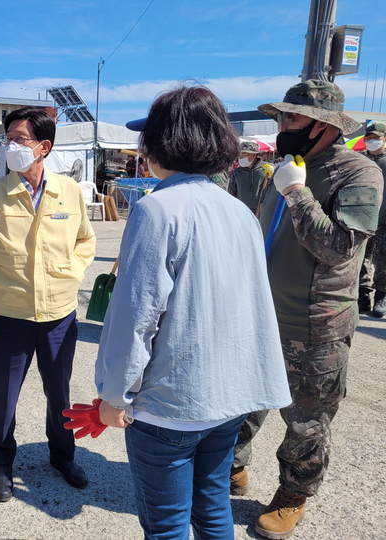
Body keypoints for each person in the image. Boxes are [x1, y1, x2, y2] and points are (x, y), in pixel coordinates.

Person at [85, 86, 292, 539]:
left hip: (170, 405)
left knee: (166, 525)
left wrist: (113, 396)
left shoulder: (158, 209)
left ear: (160, 143)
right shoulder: (238, 211)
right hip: (228, 397)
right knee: (213, 508)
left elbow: (135, 316)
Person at [232, 80, 382, 539]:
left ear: (323, 125)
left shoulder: (359, 174)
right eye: (280, 118)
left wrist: (298, 194)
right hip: (262, 312)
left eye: (291, 118)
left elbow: (338, 249)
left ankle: (293, 494)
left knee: (306, 418)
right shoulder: (284, 167)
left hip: (316, 323)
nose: (282, 126)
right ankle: (232, 467)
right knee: (244, 401)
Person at [0, 106, 96, 503]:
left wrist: (71, 272)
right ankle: (1, 464)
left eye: (20, 139)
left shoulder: (69, 192)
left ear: (44, 147)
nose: (11, 146)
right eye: (9, 139)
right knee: (4, 396)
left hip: (59, 317)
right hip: (10, 316)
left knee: (60, 393)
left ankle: (63, 456)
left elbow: (86, 241)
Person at [358, 122, 386, 316]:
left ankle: (382, 296)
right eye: (369, 138)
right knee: (361, 258)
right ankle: (363, 296)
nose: (372, 141)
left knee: (383, 260)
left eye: (377, 138)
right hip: (362, 217)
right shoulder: (360, 160)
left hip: (384, 217)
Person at [228, 140, 267, 213]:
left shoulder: (266, 170)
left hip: (261, 212)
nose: (240, 157)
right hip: (241, 212)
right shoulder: (237, 173)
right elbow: (231, 194)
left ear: (254, 155)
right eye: (239, 155)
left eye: (244, 154)